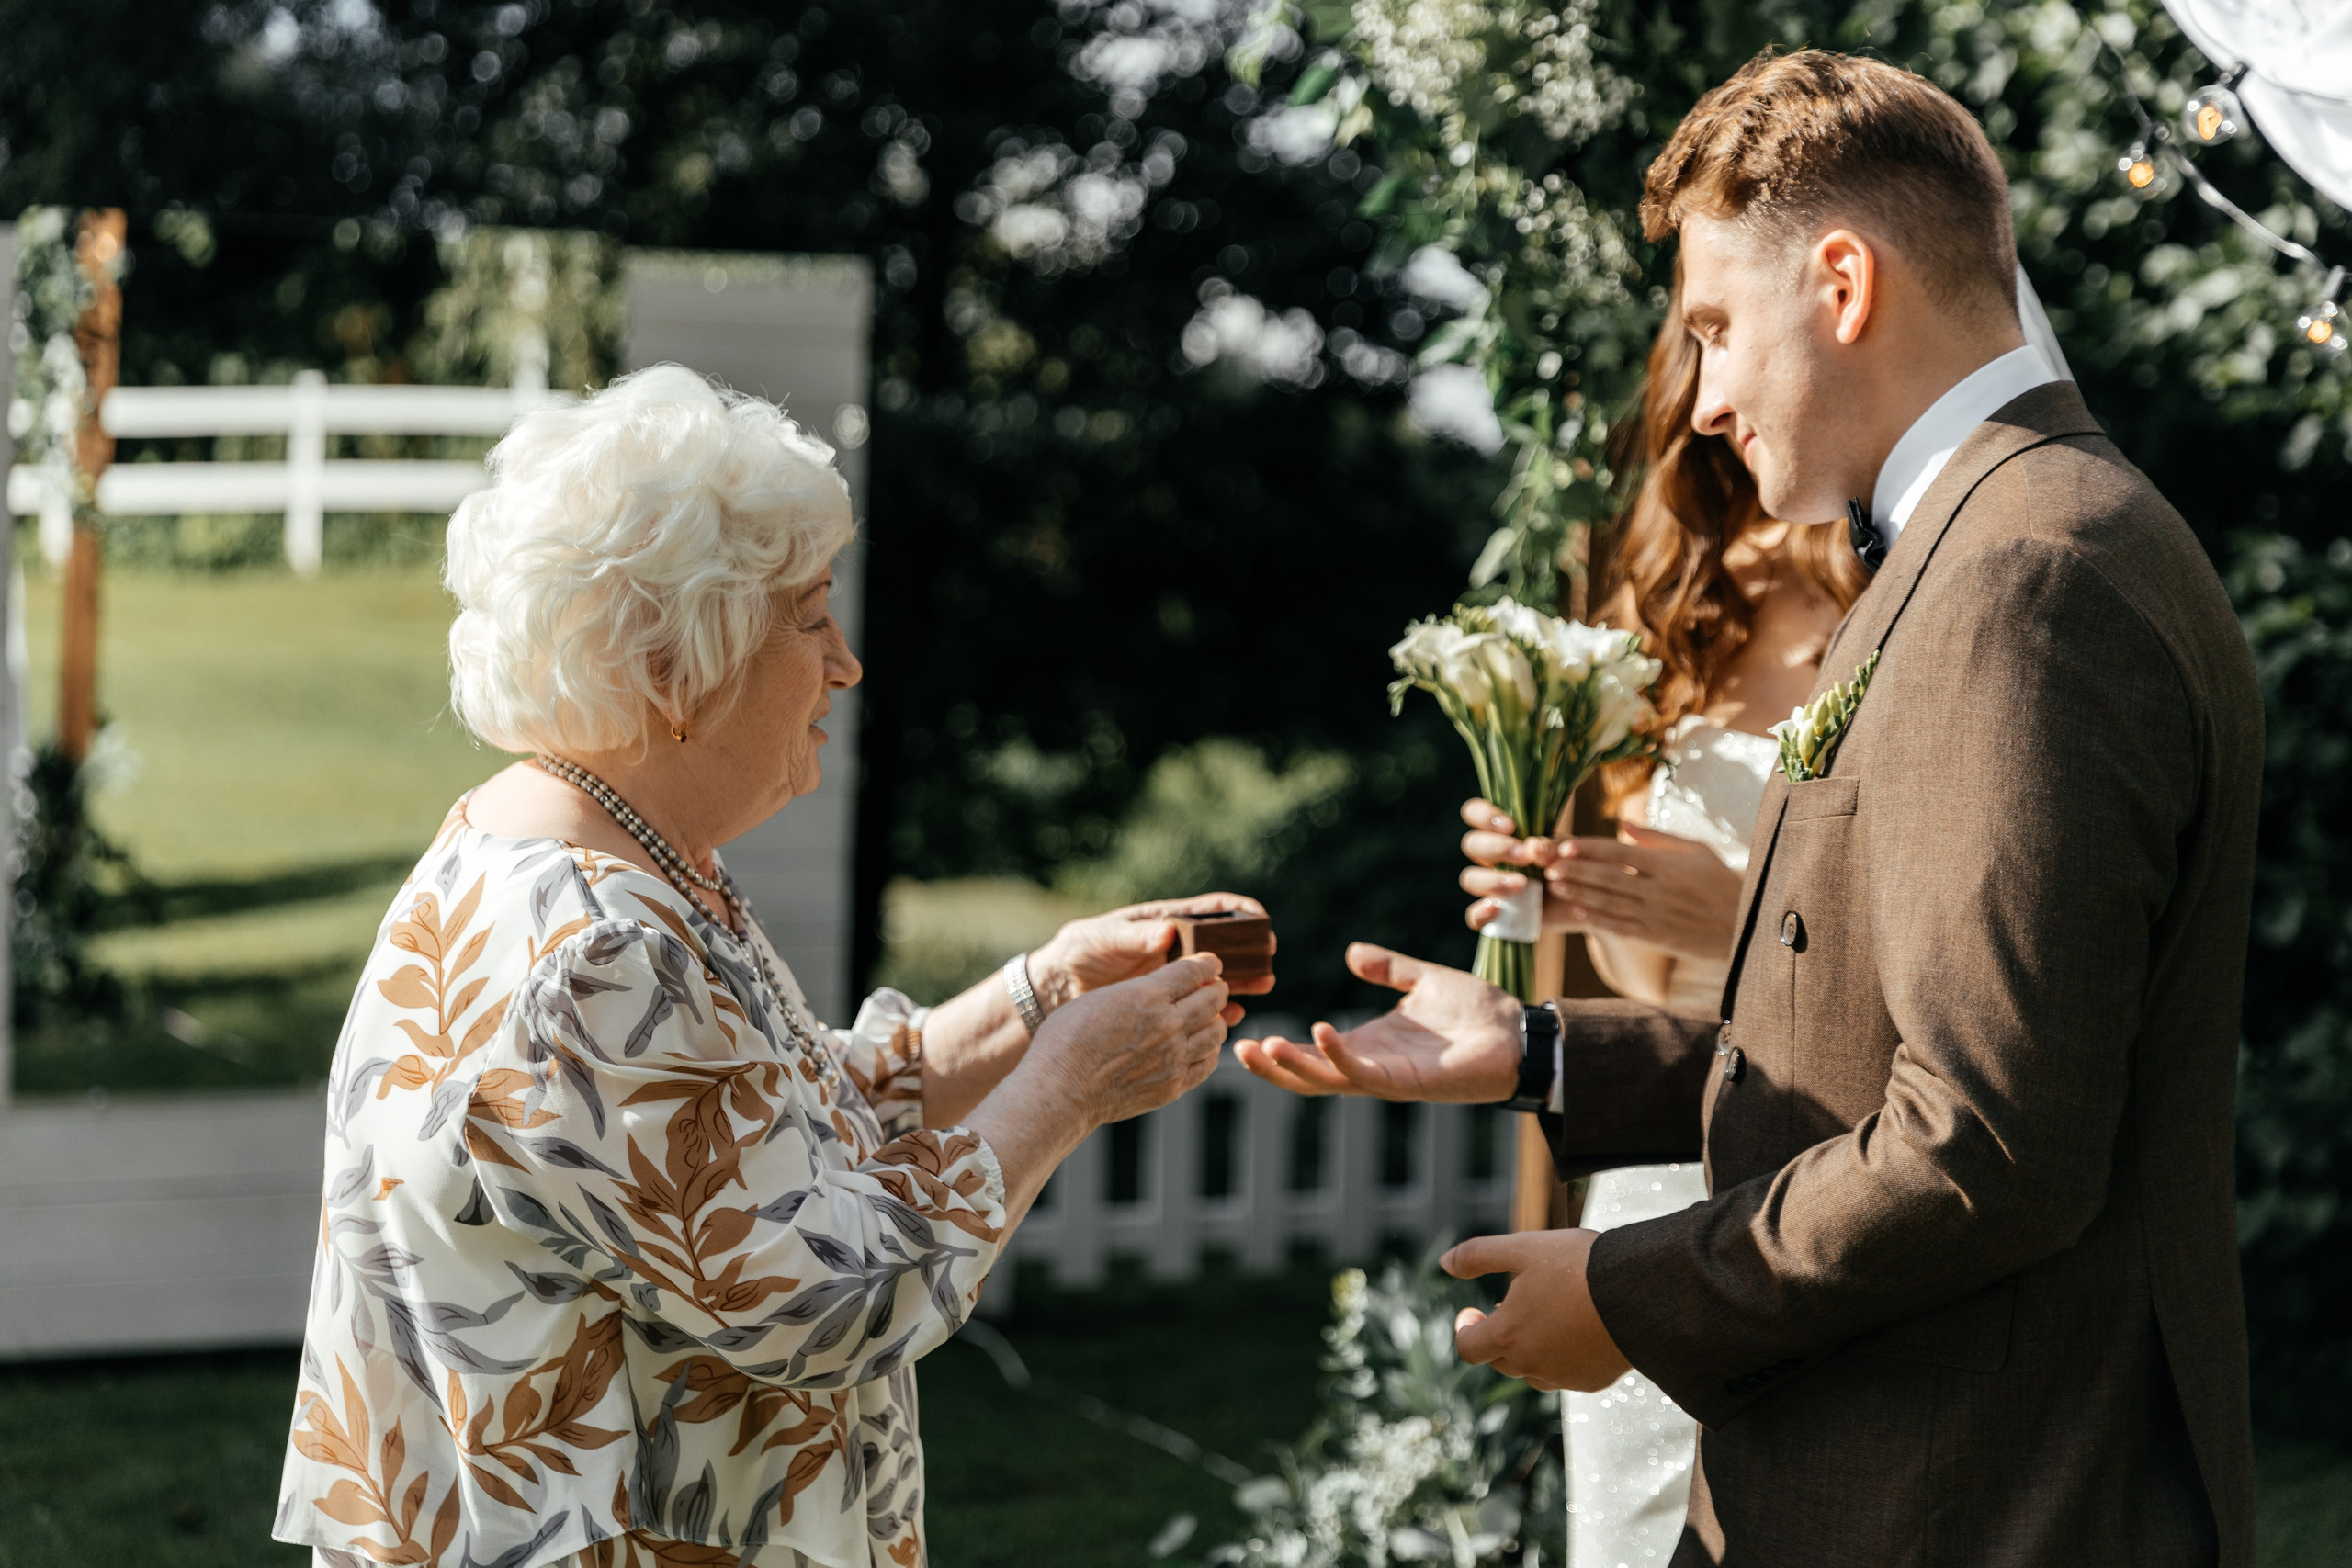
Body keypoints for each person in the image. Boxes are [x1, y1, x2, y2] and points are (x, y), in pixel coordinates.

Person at [1239, 48, 2261, 1567]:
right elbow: (1867, 1031)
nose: (1703, 398)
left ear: (1842, 283)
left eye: (1716, 327)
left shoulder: (2025, 575)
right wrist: (1535, 1051)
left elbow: (1983, 1139)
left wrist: (1629, 1294)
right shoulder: (1980, 538)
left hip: (1976, 1497)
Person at [275, 366, 1261, 1568]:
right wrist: (1067, 1086)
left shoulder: (592, 850)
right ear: (672, 668)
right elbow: (828, 1294)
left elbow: (771, 1127)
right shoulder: (599, 951)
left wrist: (1042, 992)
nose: (844, 662)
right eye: (808, 614)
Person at [1456, 264, 2071, 1568]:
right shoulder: (1648, 618)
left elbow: (1941, 983)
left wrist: (1731, 918)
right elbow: (1623, 957)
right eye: (1703, 356)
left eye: (1730, 343)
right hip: (1653, 1152)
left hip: (1826, 1154)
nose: (1719, 400)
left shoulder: (1909, 585)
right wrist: (1549, 884)